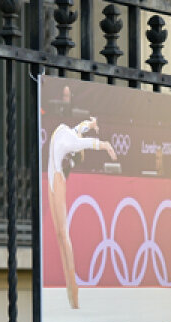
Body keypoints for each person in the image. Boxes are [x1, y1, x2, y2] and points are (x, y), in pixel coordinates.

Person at [46, 115, 118, 309]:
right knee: (60, 234)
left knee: (63, 234)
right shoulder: (73, 138)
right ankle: (70, 285)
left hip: (56, 176)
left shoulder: (72, 138)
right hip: (54, 174)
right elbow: (86, 135)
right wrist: (102, 139)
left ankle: (73, 287)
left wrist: (97, 132)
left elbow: (85, 134)